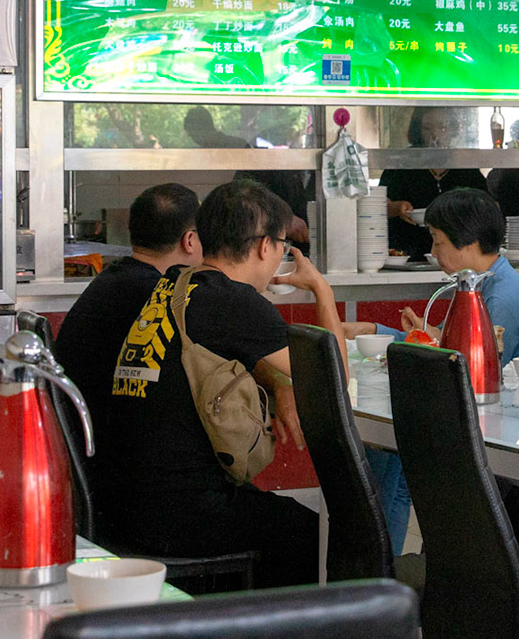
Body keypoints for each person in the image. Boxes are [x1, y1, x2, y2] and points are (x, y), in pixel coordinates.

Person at [100, 179, 344, 587]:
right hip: (179, 516)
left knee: (283, 520)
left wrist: (280, 385)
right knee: (313, 532)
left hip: (124, 502)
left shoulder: (173, 284)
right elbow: (334, 376)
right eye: (283, 245)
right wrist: (322, 289)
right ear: (266, 246)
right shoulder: (235, 301)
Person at [367, 187, 519, 551]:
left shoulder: (503, 297)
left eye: (439, 243)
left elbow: (469, 372)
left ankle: (404, 568)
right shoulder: (481, 285)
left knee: (399, 463)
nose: (434, 253)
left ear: (468, 242)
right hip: (492, 420)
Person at [54, 182, 202, 529]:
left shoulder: (110, 282)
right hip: (130, 493)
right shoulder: (159, 301)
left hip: (93, 479)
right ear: (191, 240)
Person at [183, 106, 311, 250]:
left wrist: (285, 218)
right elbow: (243, 195)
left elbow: (246, 194)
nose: (194, 137)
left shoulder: (238, 147)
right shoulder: (202, 153)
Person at [383, 108, 488, 259]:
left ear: (453, 130)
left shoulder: (463, 165)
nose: (435, 134)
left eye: (442, 127)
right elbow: (379, 207)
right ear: (418, 130)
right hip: (407, 255)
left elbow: (488, 206)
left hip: (459, 256)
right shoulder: (403, 162)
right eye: (427, 128)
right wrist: (397, 208)